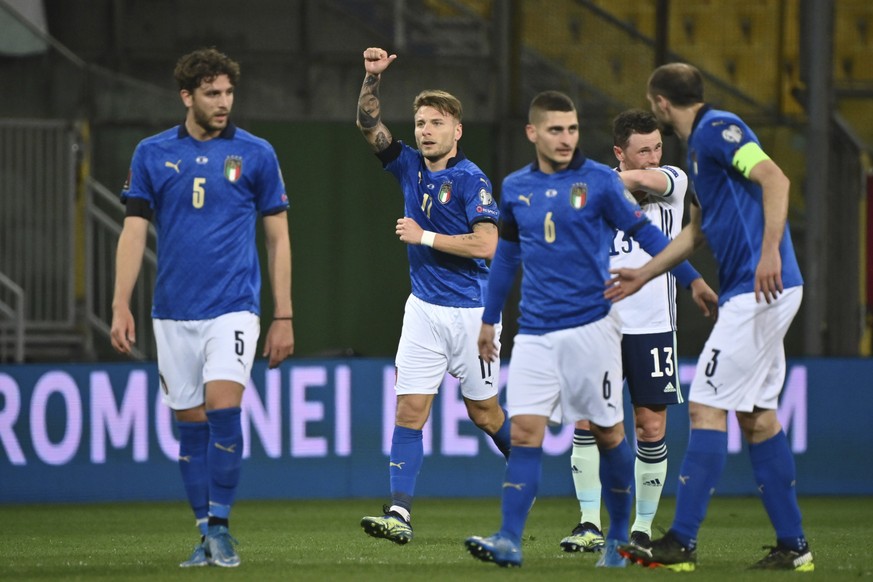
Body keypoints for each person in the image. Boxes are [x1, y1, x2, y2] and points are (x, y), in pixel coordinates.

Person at [464, 90, 716, 569]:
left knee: (612, 432)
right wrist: (489, 319)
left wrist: (693, 280)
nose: (565, 138)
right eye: (556, 129)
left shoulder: (599, 182)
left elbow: (649, 235)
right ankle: (509, 537)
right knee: (525, 431)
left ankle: (622, 535)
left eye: (573, 129)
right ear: (532, 133)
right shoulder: (516, 187)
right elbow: (507, 259)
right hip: (536, 331)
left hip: (594, 328)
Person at [610, 62, 813, 572]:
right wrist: (646, 273)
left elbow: (776, 178)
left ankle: (680, 541)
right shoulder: (698, 153)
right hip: (758, 290)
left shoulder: (722, 130)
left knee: (704, 405)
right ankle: (794, 547)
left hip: (760, 287)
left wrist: (770, 251)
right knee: (758, 417)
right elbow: (692, 235)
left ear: (659, 102)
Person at [110, 47, 294, 568]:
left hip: (233, 306)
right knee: (189, 425)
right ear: (186, 96)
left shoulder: (256, 153)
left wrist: (283, 315)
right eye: (212, 93)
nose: (223, 102)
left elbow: (278, 238)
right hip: (172, 311)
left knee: (224, 409)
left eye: (229, 92)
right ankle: (204, 533)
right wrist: (120, 304)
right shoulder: (151, 153)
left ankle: (221, 525)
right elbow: (132, 231)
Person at [355, 47, 512, 545]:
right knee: (408, 412)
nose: (425, 130)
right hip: (423, 310)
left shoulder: (471, 180)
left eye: (436, 123)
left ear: (456, 131)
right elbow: (367, 124)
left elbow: (487, 243)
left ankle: (539, 468)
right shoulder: (408, 166)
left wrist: (423, 236)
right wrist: (371, 79)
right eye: (421, 122)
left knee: (485, 415)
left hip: (472, 313)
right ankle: (399, 512)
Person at [560, 109, 704, 553]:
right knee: (587, 420)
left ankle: (641, 529)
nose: (654, 157)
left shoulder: (673, 180)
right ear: (620, 151)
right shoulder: (594, 184)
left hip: (654, 326)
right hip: (599, 323)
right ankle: (588, 523)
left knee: (649, 423)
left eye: (658, 146)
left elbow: (646, 183)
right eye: (643, 150)